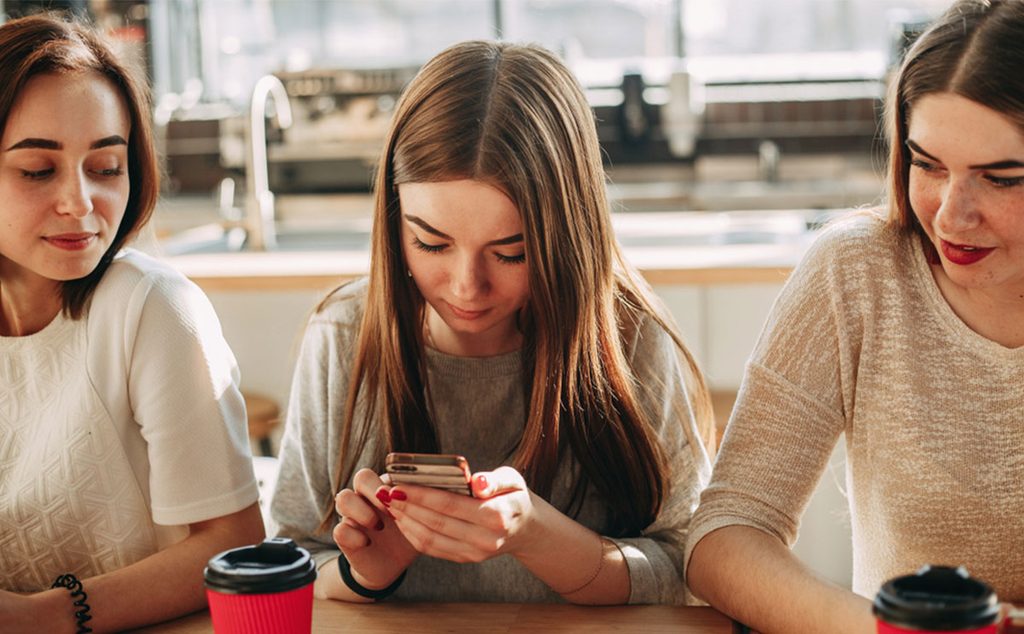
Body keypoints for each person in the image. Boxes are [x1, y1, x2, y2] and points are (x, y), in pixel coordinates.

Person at [271, 40, 714, 606]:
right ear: (392, 221)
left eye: (511, 253)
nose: (465, 287)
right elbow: (288, 562)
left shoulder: (630, 341)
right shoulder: (343, 338)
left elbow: (688, 566)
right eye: (430, 243)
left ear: (566, 238)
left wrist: (534, 534)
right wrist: (365, 574)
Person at [685, 0, 1024, 631]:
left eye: (1001, 178)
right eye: (928, 164)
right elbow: (725, 536)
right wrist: (879, 629)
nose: (951, 215)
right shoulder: (858, 273)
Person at [0, 13, 264, 632]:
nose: (80, 202)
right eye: (38, 169)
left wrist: (41, 617)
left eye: (106, 167)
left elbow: (234, 543)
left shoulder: (150, 308)